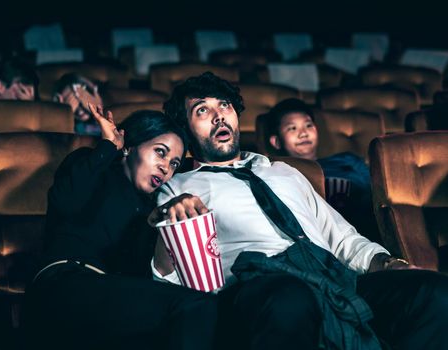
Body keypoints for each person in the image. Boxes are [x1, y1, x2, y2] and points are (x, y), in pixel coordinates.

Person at [151, 72, 448, 350]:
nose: (219, 116)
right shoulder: (179, 188)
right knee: (288, 298)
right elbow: (173, 281)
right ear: (186, 129)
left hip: (331, 277)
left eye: (224, 105)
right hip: (261, 284)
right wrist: (169, 222)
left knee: (433, 292)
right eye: (202, 110)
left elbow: (342, 238)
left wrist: (388, 263)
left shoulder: (284, 172)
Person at [23, 105, 217, 350]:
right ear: (130, 146)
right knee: (195, 306)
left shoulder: (150, 210)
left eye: (174, 164)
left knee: (197, 310)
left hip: (108, 306)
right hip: (62, 285)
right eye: (160, 152)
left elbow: (143, 278)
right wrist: (108, 146)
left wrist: (158, 225)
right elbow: (65, 201)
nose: (166, 168)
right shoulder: (93, 165)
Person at [266, 98, 379, 242]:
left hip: (362, 232)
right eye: (292, 128)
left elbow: (376, 196)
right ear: (276, 141)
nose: (303, 133)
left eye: (308, 125)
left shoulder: (348, 161)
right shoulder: (277, 173)